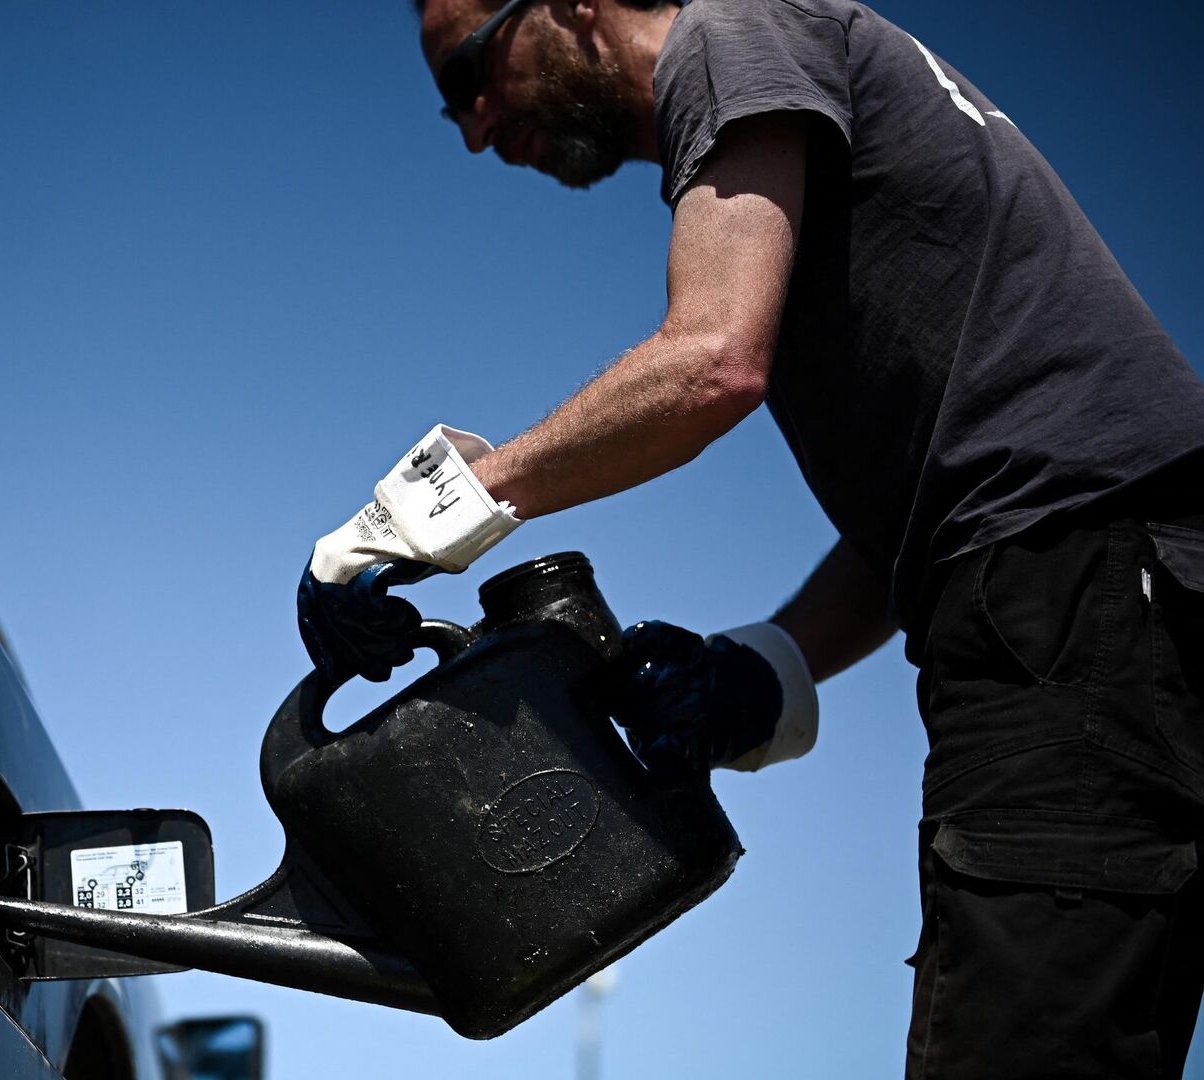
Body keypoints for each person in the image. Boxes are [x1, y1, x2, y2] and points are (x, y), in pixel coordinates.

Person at [294, 0, 1204, 1075]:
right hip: (1121, 603)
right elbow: (925, 523)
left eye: (469, 76)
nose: (478, 129)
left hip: (1082, 604)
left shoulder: (732, 35)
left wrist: (408, 522)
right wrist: (760, 673)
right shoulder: (779, 95)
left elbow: (711, 362)